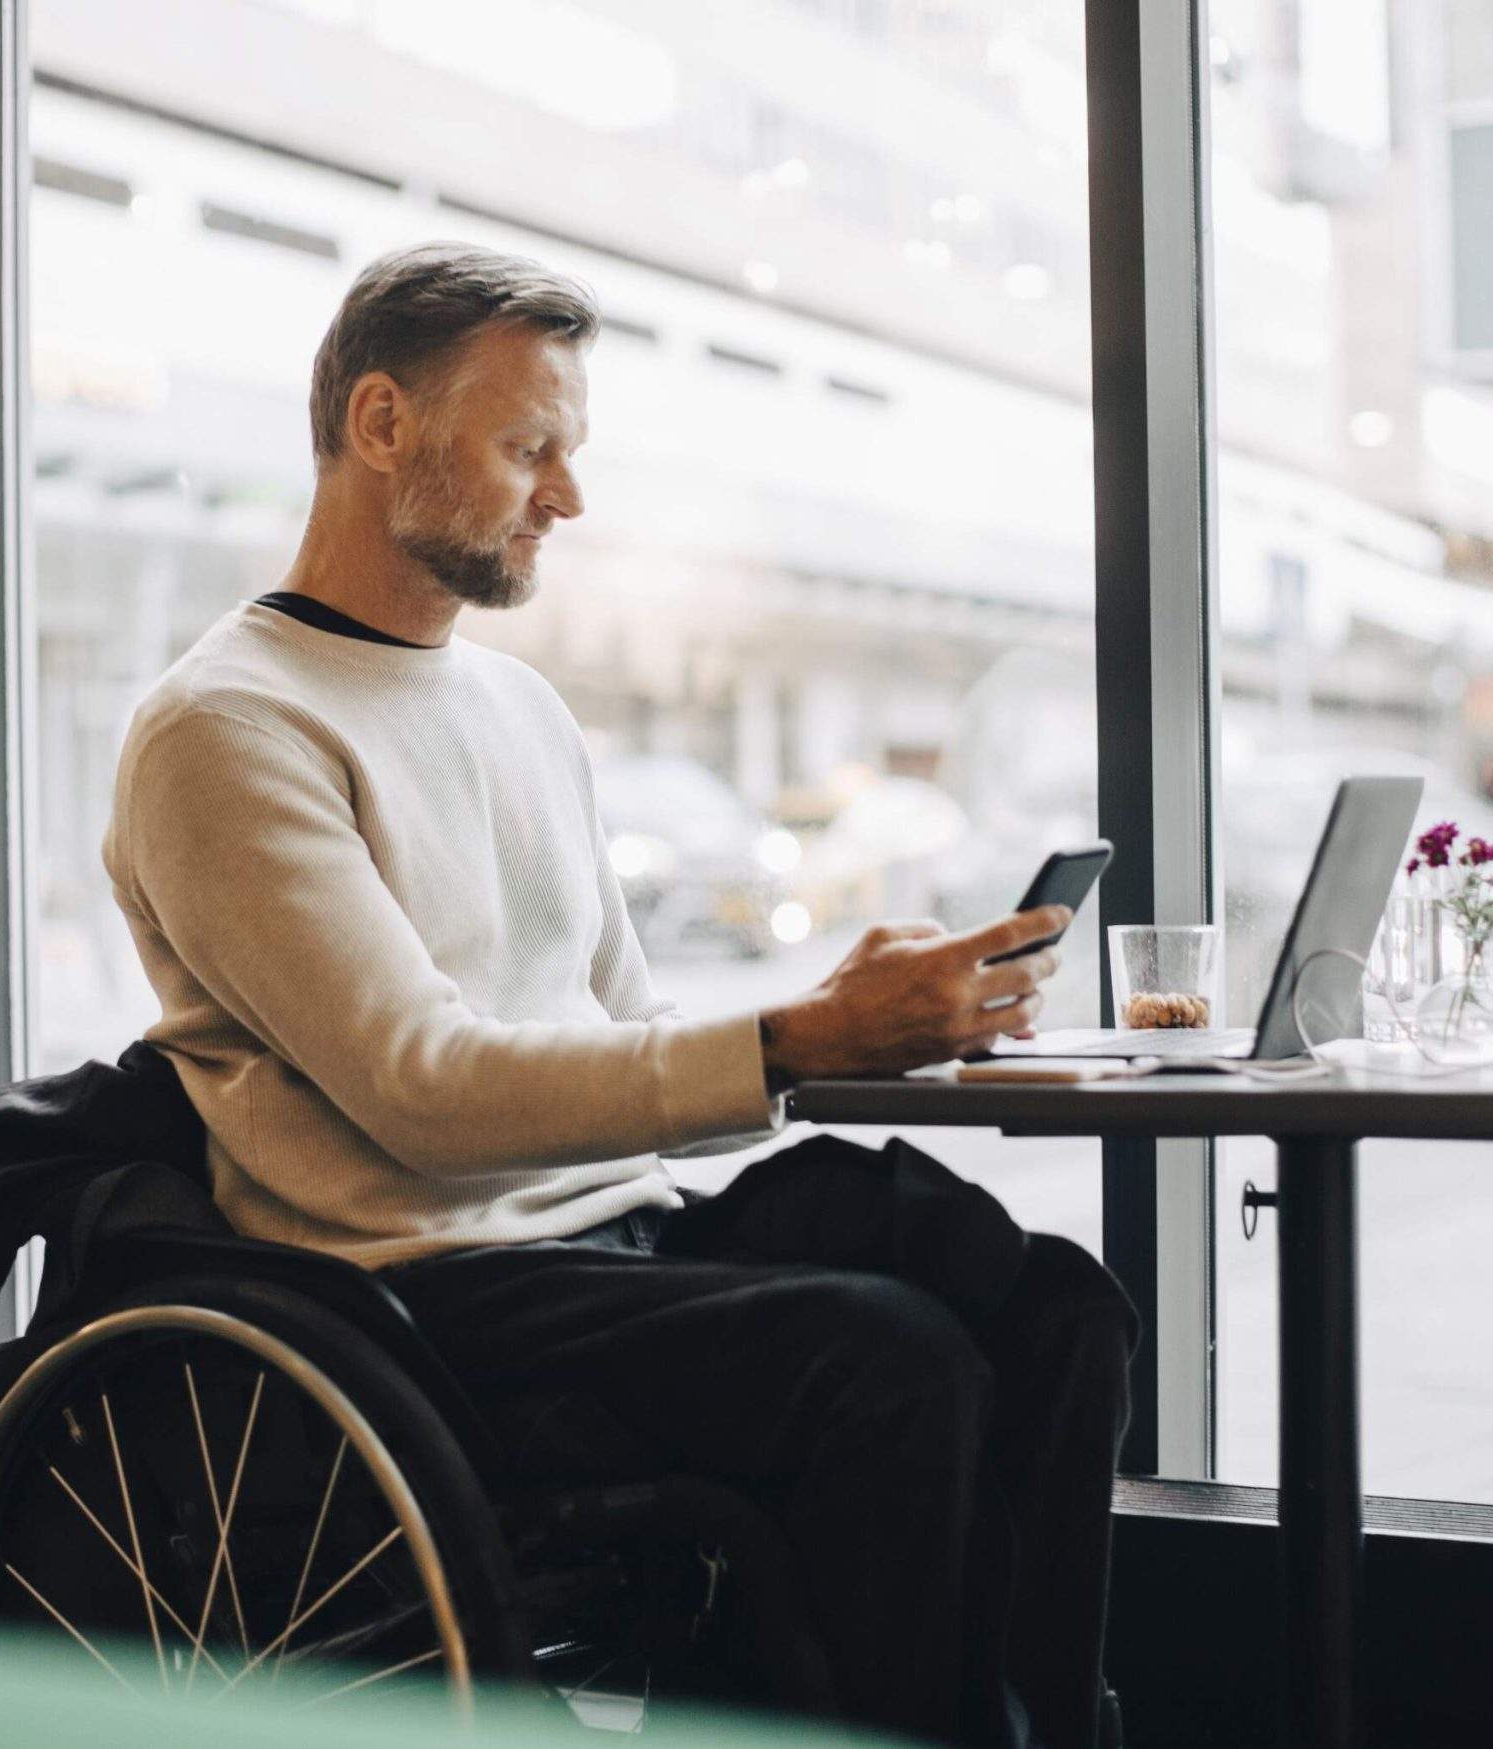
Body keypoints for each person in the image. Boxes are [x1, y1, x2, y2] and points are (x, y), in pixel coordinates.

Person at [104, 243, 1138, 1749]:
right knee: (890, 1365)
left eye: (568, 452)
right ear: (381, 424)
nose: (566, 497)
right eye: (531, 448)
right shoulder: (225, 729)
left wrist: (860, 1017)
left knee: (1059, 1309)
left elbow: (623, 1046)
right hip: (422, 1300)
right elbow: (430, 1090)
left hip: (618, 1238)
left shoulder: (522, 709)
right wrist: (793, 1042)